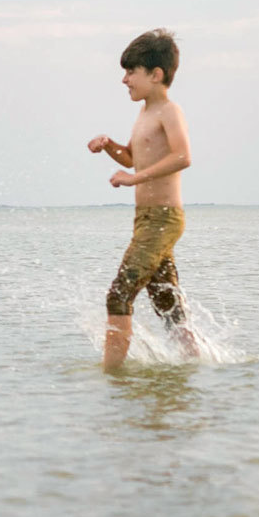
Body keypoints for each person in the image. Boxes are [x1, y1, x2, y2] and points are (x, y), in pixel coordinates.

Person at [87, 29, 195, 369]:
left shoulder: (169, 111)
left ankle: (112, 376)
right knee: (167, 304)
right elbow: (134, 158)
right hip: (146, 220)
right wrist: (109, 146)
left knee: (118, 294)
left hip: (164, 219)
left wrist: (134, 179)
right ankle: (198, 363)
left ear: (156, 74)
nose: (124, 79)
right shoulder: (144, 113)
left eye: (131, 71)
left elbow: (182, 157)